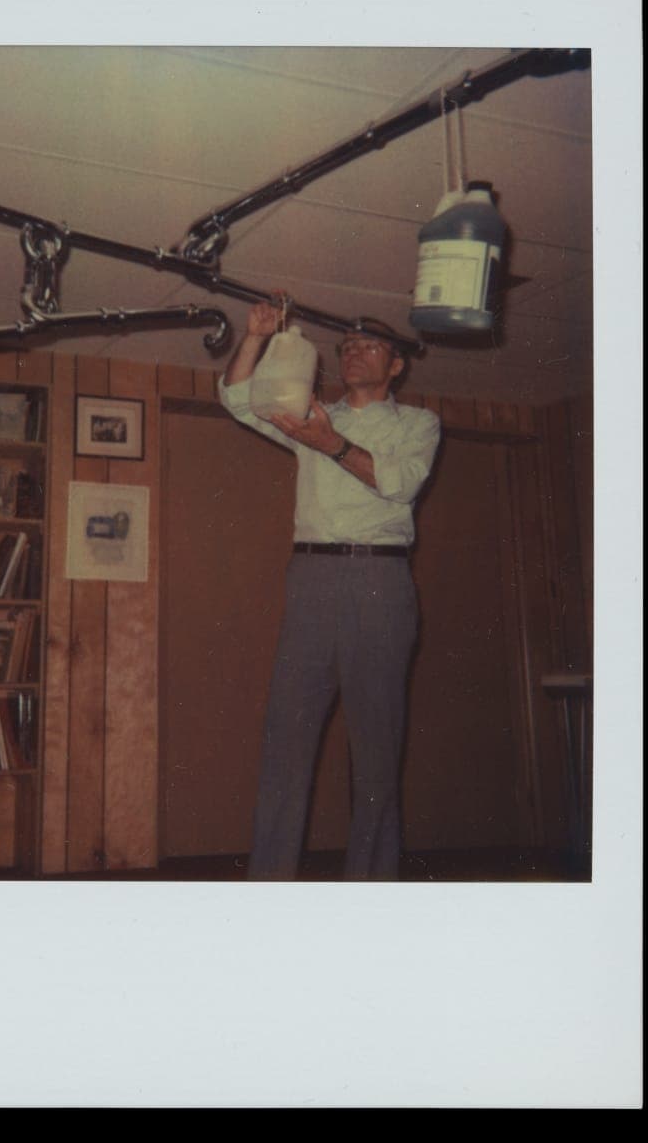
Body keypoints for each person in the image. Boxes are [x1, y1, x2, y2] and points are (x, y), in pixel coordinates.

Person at [218, 300, 440, 880]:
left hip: (380, 580)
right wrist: (254, 339)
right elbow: (239, 400)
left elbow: (396, 484)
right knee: (284, 739)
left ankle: (369, 895)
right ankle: (269, 891)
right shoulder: (311, 411)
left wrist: (327, 443)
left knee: (376, 747)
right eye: (346, 346)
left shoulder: (417, 424)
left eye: (370, 345)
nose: (353, 351)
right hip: (311, 579)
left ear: (397, 367)